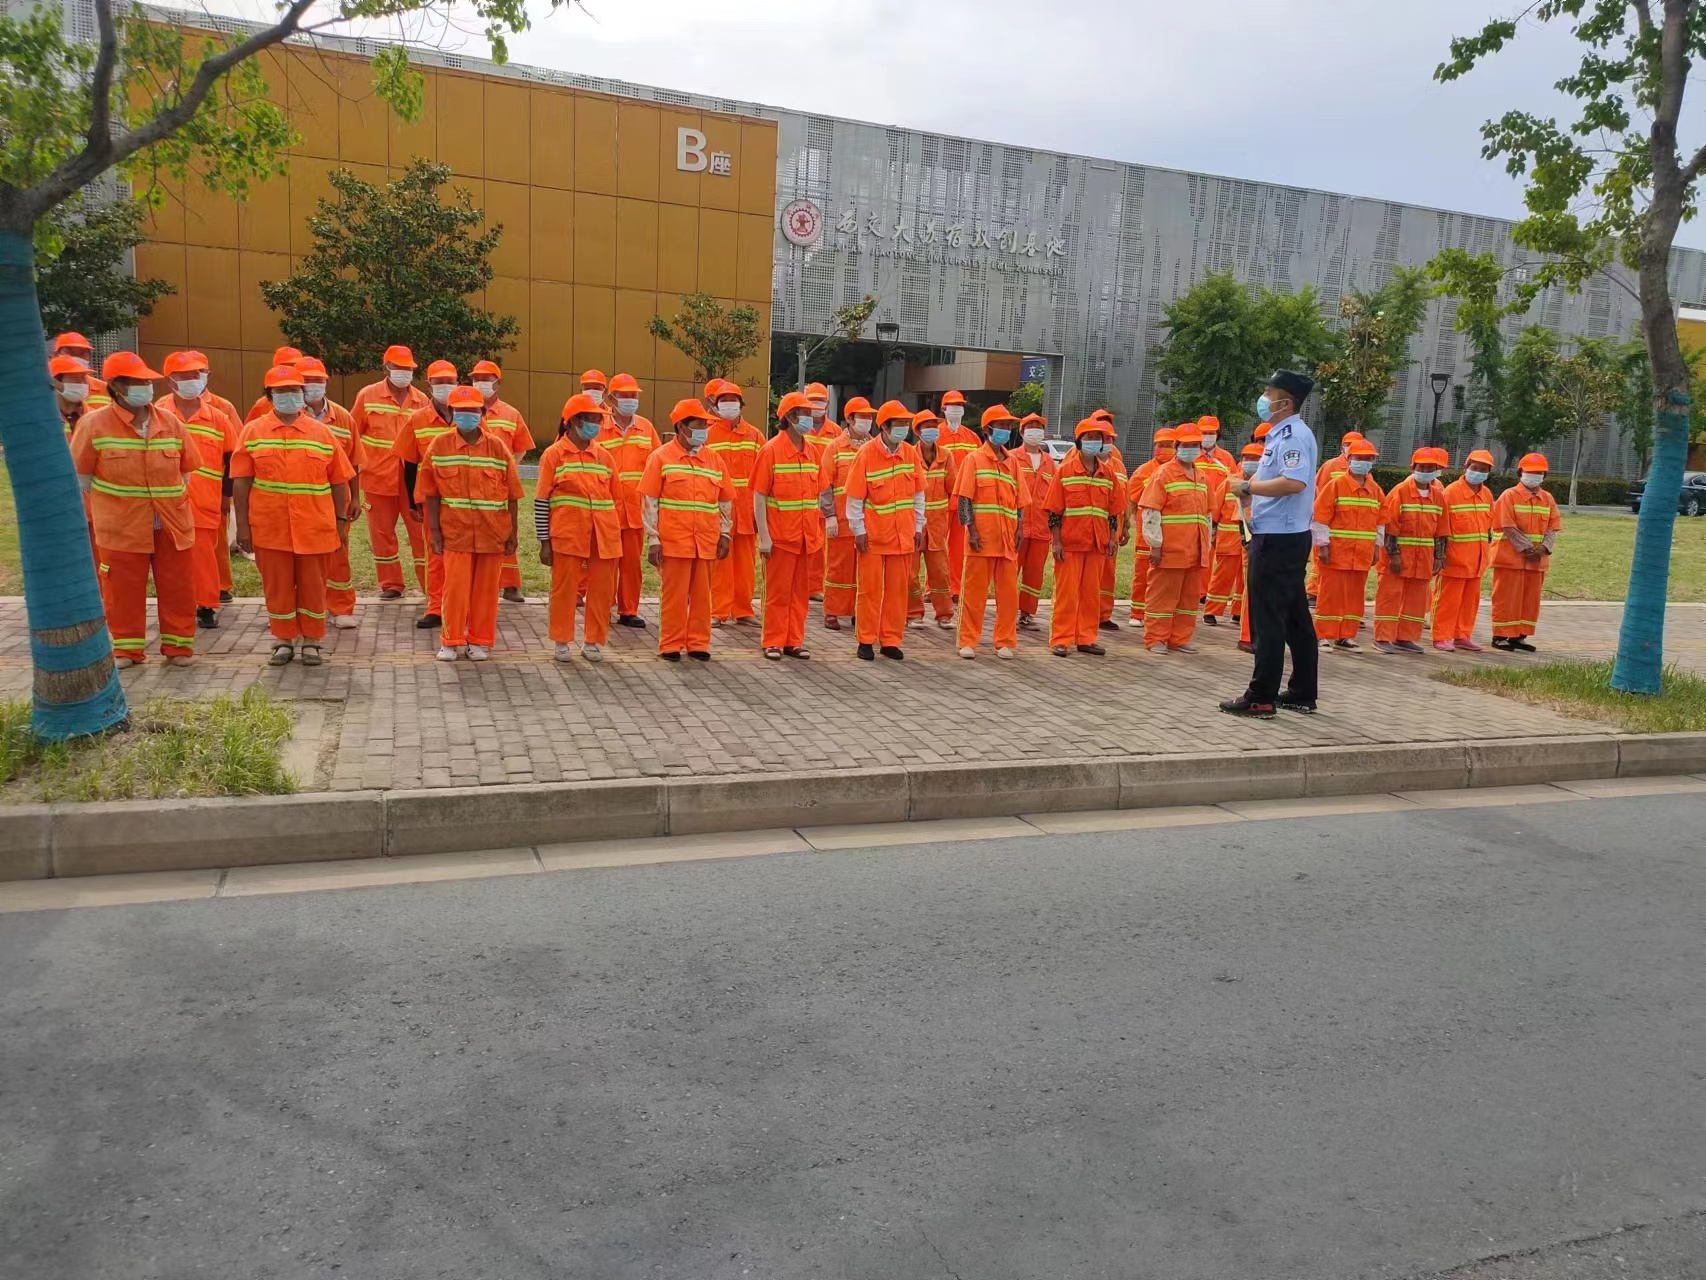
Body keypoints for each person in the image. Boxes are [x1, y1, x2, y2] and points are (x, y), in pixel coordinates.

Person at [70, 352, 198, 668]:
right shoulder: (93, 424)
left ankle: (178, 647)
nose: (145, 388)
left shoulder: (169, 422)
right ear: (116, 387)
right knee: (122, 589)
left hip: (171, 522)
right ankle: (127, 650)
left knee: (179, 586)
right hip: (121, 526)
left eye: (146, 382)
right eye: (136, 382)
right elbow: (82, 478)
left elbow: (187, 469)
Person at [231, 364, 355, 667]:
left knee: (314, 586)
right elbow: (241, 482)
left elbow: (339, 481)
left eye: (294, 390)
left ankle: (312, 640)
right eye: (281, 391)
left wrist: (341, 523)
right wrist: (243, 527)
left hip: (315, 527)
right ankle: (283, 640)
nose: (289, 395)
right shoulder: (253, 431)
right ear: (269, 396)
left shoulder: (321, 432)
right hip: (270, 528)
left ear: (302, 393)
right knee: (278, 587)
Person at [1220, 370, 1320, 718]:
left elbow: (1294, 482)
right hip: (1284, 535)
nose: (1264, 399)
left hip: (1278, 539)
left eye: (1269, 393)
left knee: (1267, 619)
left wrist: (1248, 487)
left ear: (1285, 402)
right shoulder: (1283, 434)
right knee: (1294, 618)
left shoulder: (1292, 435)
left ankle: (1261, 696)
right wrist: (1254, 494)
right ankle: (1302, 691)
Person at [417, 386, 523, 662]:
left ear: (483, 412)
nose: (467, 415)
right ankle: (450, 641)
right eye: (461, 411)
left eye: (473, 410)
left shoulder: (497, 447)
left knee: (486, 592)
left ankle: (478, 641)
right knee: (455, 589)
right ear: (452, 413)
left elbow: (512, 495)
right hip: (456, 533)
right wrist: (435, 532)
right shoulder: (439, 446)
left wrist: (512, 532)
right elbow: (430, 493)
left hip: (492, 534)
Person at [640, 400, 734, 662]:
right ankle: (671, 644)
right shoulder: (660, 457)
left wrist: (725, 533)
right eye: (699, 424)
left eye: (706, 424)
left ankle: (698, 643)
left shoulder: (714, 460)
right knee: (675, 596)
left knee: (703, 596)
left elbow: (725, 501)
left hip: (706, 540)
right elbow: (649, 501)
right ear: (681, 427)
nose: (704, 429)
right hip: (674, 541)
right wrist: (653, 539)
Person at [535, 393, 622, 662]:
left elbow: (616, 499)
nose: (596, 425)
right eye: (592, 419)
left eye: (598, 420)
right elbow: (541, 500)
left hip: (604, 535)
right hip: (567, 533)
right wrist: (544, 541)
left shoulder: (604, 457)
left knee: (602, 590)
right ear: (573, 421)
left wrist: (615, 533)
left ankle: (593, 641)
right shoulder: (554, 455)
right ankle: (562, 640)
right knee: (564, 590)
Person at [160, 350, 241, 632]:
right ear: (171, 381)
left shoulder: (217, 417)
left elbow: (232, 459)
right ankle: (177, 606)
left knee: (204, 557)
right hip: (166, 502)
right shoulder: (158, 413)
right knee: (170, 559)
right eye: (185, 376)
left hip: (206, 499)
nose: (193, 380)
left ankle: (206, 606)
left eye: (196, 374)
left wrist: (226, 497)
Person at [844, 399, 926, 660]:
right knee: (869, 591)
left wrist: (919, 526)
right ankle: (866, 640)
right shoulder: (866, 454)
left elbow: (918, 495)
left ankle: (890, 640)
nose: (904, 428)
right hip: (874, 537)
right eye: (899, 423)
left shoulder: (910, 454)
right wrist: (858, 530)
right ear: (885, 426)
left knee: (897, 592)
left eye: (906, 423)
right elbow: (854, 498)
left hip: (903, 536)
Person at [352, 345, 430, 601]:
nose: (404, 372)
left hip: (412, 481)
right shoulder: (367, 396)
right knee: (382, 533)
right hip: (377, 478)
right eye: (398, 367)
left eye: (408, 368)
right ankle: (391, 584)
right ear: (386, 368)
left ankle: (430, 585)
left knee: (420, 534)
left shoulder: (422, 400)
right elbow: (353, 435)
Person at [754, 392, 829, 660]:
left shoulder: (812, 452)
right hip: (780, 538)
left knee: (799, 594)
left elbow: (818, 494)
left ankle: (794, 641)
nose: (809, 418)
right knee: (777, 593)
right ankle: (773, 641)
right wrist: (764, 537)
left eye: (810, 413)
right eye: (804, 413)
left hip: (806, 538)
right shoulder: (771, 451)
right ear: (789, 417)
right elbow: (759, 496)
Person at [293, 356, 365, 630]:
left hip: (336, 499)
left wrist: (355, 497)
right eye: (307, 381)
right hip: (299, 500)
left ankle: (341, 607)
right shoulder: (286, 415)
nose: (313, 385)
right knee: (300, 557)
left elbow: (353, 461)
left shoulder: (343, 417)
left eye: (318, 380)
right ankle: (304, 607)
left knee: (338, 553)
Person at [392, 359, 461, 629]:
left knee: (464, 556)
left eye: (449, 382)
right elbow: (409, 464)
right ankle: (436, 607)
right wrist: (412, 502)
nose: (445, 387)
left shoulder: (470, 414)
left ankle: (461, 606)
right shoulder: (417, 419)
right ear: (429, 385)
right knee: (436, 555)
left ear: (457, 383)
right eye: (439, 382)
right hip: (432, 501)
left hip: (466, 501)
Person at [1045, 417, 1121, 656]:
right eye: (1089, 438)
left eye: (1097, 438)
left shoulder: (1108, 474)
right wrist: (1056, 542)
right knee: (1066, 594)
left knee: (1091, 595)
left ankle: (1086, 638)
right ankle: (1061, 639)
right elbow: (1054, 511)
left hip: (1097, 543)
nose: (1093, 442)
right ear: (1079, 441)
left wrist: (1112, 537)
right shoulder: (1065, 471)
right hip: (1070, 543)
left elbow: (1113, 511)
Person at [955, 404, 1026, 659]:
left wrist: (1020, 527)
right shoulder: (973, 459)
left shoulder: (1013, 463)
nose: (1006, 430)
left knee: (1008, 595)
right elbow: (964, 499)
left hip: (1007, 539)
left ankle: (1004, 641)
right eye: (1002, 425)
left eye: (1008, 426)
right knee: (974, 594)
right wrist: (971, 530)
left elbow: (1019, 500)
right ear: (987, 430)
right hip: (981, 539)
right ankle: (967, 640)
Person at [1137, 422, 1213, 654]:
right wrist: (1155, 545)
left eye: (1194, 445)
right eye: (1185, 445)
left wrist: (1207, 543)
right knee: (1162, 596)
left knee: (1188, 599)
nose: (1190, 449)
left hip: (1195, 550)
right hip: (1171, 549)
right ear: (1176, 446)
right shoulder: (1164, 474)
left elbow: (1207, 515)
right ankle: (1156, 638)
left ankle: (1179, 638)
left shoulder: (1201, 476)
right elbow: (1151, 512)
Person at [597, 372, 661, 628]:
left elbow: (658, 464)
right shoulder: (598, 426)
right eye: (625, 395)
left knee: (631, 565)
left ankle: (628, 610)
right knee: (604, 564)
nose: (630, 400)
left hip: (636, 510)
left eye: (633, 395)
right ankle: (602, 607)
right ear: (611, 398)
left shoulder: (646, 428)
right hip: (606, 510)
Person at [469, 359, 536, 603]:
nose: (480, 383)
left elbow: (521, 446)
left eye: (485, 379)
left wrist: (509, 469)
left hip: (499, 485)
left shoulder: (511, 413)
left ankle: (510, 584)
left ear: (497, 383)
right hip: (469, 483)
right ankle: (476, 584)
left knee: (505, 530)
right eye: (476, 379)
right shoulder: (464, 411)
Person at [1311, 438, 1384, 651]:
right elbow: (1320, 518)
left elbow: (1381, 522)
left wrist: (1376, 548)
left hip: (1362, 554)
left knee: (1355, 597)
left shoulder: (1375, 490)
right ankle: (1322, 635)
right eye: (1360, 458)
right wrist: (1323, 546)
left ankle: (1346, 635)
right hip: (1336, 552)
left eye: (1368, 459)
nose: (1364, 462)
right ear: (1349, 459)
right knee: (1330, 595)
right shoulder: (1336, 485)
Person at [1373, 448, 1446, 654]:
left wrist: (1439, 556)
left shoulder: (1438, 496)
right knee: (1390, 596)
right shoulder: (1400, 492)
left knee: (1416, 600)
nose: (1426, 471)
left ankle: (1405, 637)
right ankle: (1382, 637)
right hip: (1398, 558)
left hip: (1423, 559)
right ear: (1413, 468)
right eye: (1422, 467)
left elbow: (1441, 530)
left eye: (1430, 468)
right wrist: (1394, 555)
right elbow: (1390, 525)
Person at [704, 378, 763, 627]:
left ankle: (743, 609)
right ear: (716, 405)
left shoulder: (754, 435)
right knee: (720, 562)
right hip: (719, 510)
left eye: (733, 400)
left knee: (746, 564)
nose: (729, 404)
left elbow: (764, 475)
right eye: (724, 400)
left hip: (747, 510)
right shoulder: (707, 434)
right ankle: (718, 611)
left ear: (741, 404)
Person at [1491, 453, 1562, 652]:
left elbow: (1553, 527)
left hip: (1536, 561)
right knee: (1507, 599)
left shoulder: (1547, 499)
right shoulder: (1509, 495)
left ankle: (1519, 636)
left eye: (1539, 473)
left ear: (1544, 476)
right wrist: (1527, 548)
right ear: (1520, 473)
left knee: (1529, 601)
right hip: (1511, 559)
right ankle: (1500, 636)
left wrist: (1544, 548)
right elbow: (1507, 525)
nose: (1534, 476)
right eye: (1530, 472)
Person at [1433, 448, 1497, 653]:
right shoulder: (1450, 493)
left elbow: (1487, 528)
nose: (1478, 472)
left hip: (1477, 561)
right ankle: (1442, 636)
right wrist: (1440, 556)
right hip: (1454, 560)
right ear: (1466, 467)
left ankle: (1462, 635)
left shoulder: (1486, 495)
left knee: (1470, 602)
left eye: (1483, 470)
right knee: (1447, 601)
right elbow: (1440, 528)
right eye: (1475, 467)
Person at [816, 397, 871, 632]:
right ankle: (832, 611)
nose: (867, 421)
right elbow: (825, 484)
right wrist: (829, 515)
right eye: (862, 416)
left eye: (869, 417)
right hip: (841, 520)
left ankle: (859, 611)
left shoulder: (873, 447)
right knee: (838, 568)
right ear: (849, 419)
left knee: (864, 569)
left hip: (868, 522)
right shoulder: (835, 447)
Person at [910, 409, 958, 628]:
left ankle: (944, 614)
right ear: (918, 431)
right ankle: (913, 614)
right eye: (927, 426)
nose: (932, 430)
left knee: (940, 572)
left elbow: (953, 488)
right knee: (910, 573)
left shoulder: (946, 456)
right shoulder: (909, 455)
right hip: (913, 524)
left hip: (938, 525)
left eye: (934, 426)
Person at [1125, 426, 1176, 630]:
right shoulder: (1144, 470)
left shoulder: (1180, 471)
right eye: (1160, 445)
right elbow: (1133, 497)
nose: (1164, 448)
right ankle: (1137, 613)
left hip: (1172, 534)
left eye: (1168, 445)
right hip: (1146, 534)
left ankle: (1162, 614)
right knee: (1143, 575)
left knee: (1167, 579)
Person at [1015, 413, 1057, 629]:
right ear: (1022, 432)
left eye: (1038, 427)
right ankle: (1006, 612)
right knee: (1009, 572)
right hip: (1017, 527)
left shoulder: (1050, 463)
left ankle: (1027, 613)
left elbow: (1056, 496)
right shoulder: (1012, 458)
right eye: (1030, 427)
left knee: (1034, 573)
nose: (1035, 431)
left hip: (1041, 527)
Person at [938, 391, 981, 596]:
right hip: (939, 501)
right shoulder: (935, 434)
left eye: (960, 406)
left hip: (963, 502)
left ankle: (955, 588)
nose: (956, 409)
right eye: (952, 406)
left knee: (958, 547)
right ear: (943, 409)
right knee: (936, 547)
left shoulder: (972, 437)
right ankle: (934, 588)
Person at [1202, 443, 1247, 626]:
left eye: (1257, 459)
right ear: (1241, 461)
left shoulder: (1262, 485)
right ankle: (1211, 611)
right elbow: (1215, 511)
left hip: (1249, 541)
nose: (1252, 462)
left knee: (1245, 580)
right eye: (1248, 459)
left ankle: (1238, 611)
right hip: (1228, 541)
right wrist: (1212, 533)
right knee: (1222, 576)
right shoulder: (1229, 483)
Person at [243, 347, 306, 421]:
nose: (290, 371)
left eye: (296, 366)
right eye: (286, 367)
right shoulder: (263, 405)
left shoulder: (313, 399)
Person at [51, 333, 111, 408]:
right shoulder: (44, 387)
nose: (76, 358)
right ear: (55, 355)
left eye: (82, 353)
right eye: (69, 352)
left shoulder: (104, 389)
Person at [51, 354, 95, 440]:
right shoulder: (44, 418)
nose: (82, 383)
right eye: (75, 378)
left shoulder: (96, 418)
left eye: (83, 377)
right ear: (55, 382)